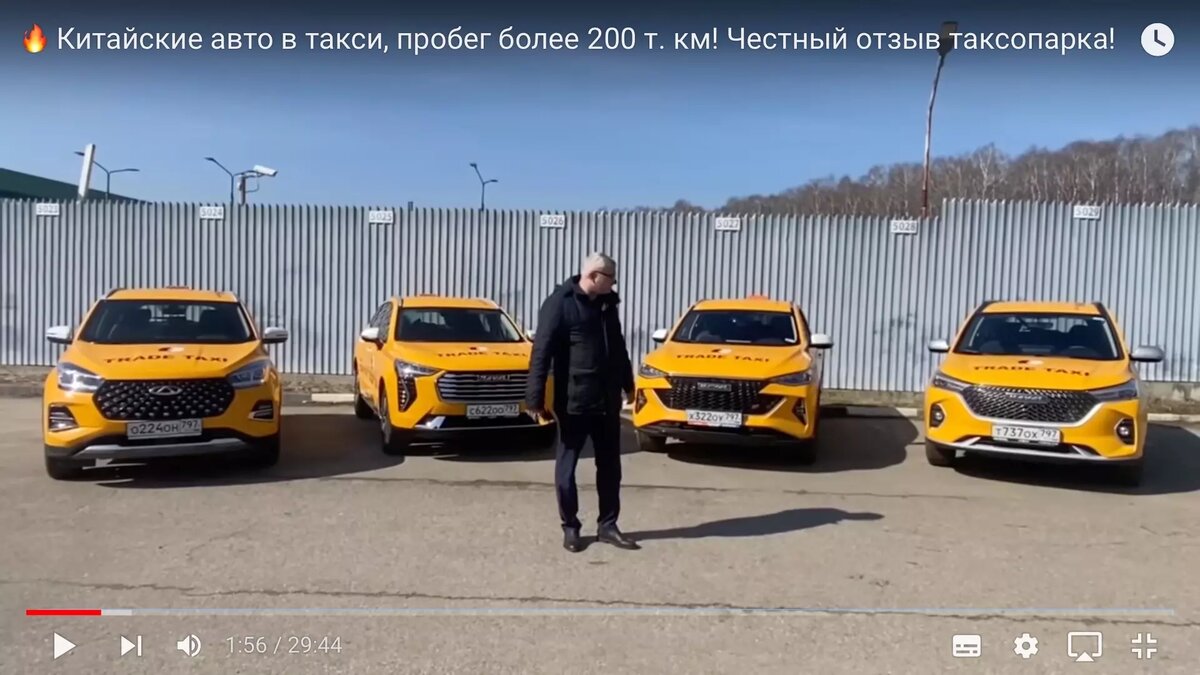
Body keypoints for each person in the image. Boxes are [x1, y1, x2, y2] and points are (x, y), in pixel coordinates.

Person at [526, 252, 641, 552]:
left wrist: (628, 385)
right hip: (574, 401)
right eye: (611, 278)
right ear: (594, 276)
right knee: (567, 468)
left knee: (610, 466)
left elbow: (618, 347)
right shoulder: (560, 304)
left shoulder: (607, 305)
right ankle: (571, 527)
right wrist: (534, 399)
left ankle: (608, 526)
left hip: (606, 400)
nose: (614, 284)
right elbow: (541, 352)